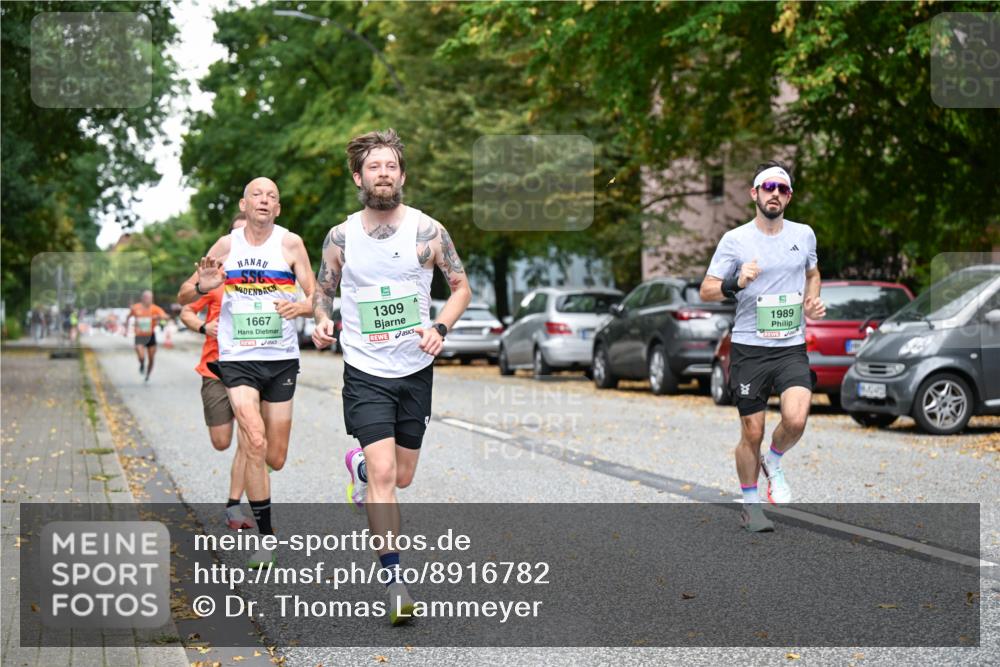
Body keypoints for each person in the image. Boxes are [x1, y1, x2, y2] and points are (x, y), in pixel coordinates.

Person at [312, 129, 472, 625]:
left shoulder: (428, 232)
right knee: (387, 479)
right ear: (358, 176)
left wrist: (440, 327)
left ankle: (357, 468)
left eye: (391, 166)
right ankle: (395, 582)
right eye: (374, 166)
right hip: (364, 370)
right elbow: (324, 291)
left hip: (415, 368)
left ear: (402, 176)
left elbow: (461, 287)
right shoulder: (340, 237)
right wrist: (320, 320)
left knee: (401, 475)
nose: (383, 173)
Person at [178, 177, 314, 567]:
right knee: (252, 439)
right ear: (244, 203)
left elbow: (315, 294)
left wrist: (304, 309)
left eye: (272, 196)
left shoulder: (291, 244)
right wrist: (202, 286)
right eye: (258, 194)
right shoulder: (226, 245)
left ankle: (255, 491)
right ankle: (266, 539)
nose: (265, 200)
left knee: (275, 455)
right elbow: (186, 294)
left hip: (281, 358)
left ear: (278, 209)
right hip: (236, 359)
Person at [700, 161, 826, 533]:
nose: (775, 193)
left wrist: (812, 301)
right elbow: (706, 289)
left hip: (790, 345)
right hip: (749, 348)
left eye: (782, 189)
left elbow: (812, 273)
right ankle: (751, 505)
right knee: (751, 432)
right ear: (754, 193)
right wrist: (735, 282)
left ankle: (774, 459)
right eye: (768, 187)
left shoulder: (804, 235)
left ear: (788, 197)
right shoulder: (735, 240)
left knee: (796, 419)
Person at [179, 212, 253, 530]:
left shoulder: (266, 277)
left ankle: (234, 507)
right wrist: (202, 327)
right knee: (222, 441)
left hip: (253, 369)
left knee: (251, 440)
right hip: (216, 370)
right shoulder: (214, 277)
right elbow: (184, 307)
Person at [124, 291, 169, 382]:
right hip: (139, 335)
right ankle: (142, 363)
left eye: (150, 298)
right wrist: (126, 330)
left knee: (151, 358)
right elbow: (128, 317)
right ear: (142, 298)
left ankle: (148, 374)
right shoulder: (136, 307)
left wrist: (158, 317)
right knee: (140, 354)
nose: (148, 299)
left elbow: (166, 317)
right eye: (146, 297)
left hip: (151, 335)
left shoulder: (155, 308)